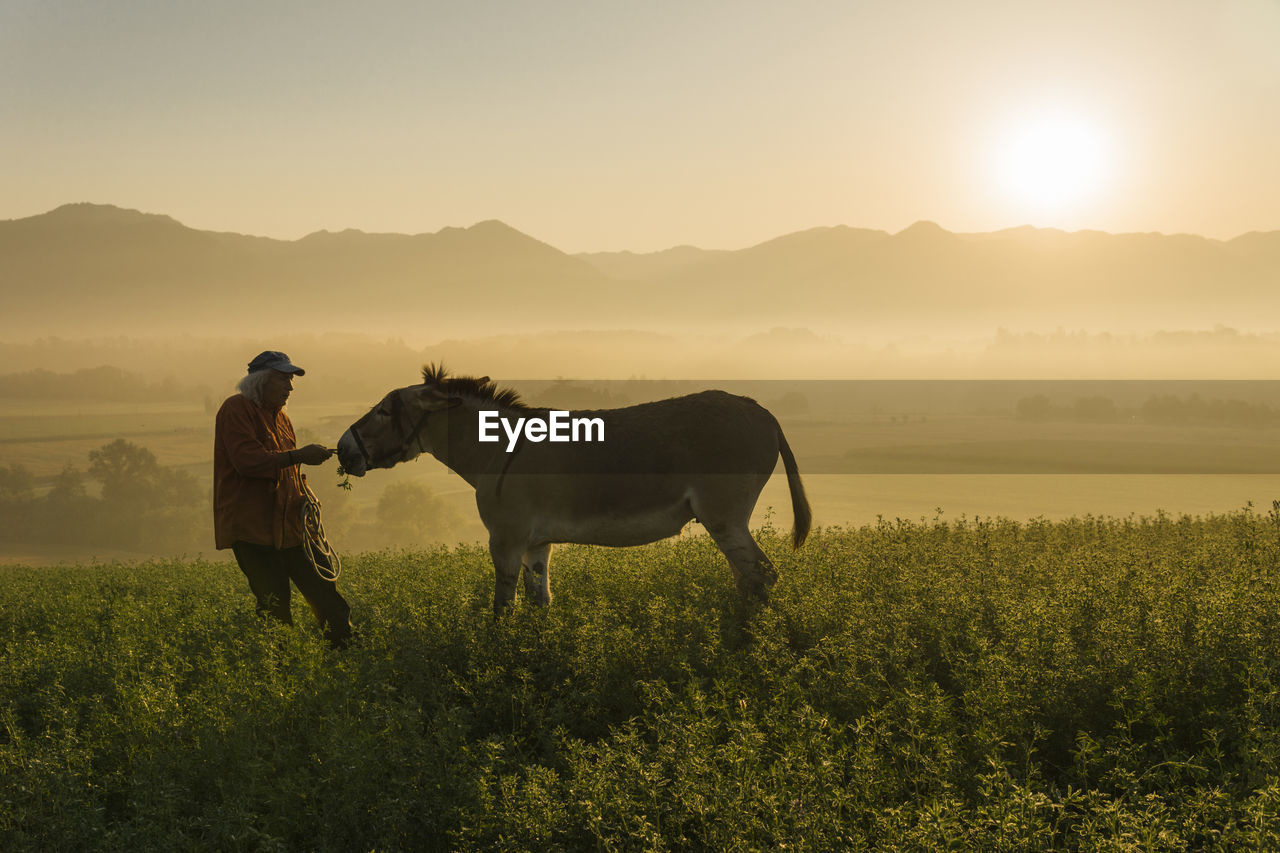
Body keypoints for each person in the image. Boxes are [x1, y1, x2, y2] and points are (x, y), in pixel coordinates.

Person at [213, 350, 354, 648]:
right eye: (283, 379)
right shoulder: (235, 409)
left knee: (327, 596)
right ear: (261, 381)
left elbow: (287, 468)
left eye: (290, 380)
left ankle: (346, 656)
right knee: (275, 609)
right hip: (254, 531)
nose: (290, 387)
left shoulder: (282, 419)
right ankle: (281, 673)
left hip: (292, 527)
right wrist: (300, 455)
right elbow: (246, 461)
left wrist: (304, 497)